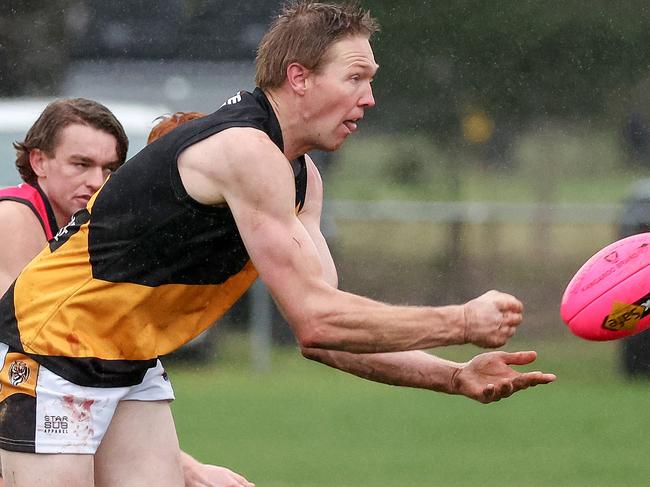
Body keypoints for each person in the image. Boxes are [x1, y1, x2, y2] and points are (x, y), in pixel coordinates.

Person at [0, 2, 556, 485]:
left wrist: (455, 376)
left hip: (130, 359)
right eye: (356, 78)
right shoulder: (244, 149)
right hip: (49, 351)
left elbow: (328, 338)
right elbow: (320, 319)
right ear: (299, 77)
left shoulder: (300, 177)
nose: (370, 98)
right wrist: (461, 322)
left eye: (372, 79)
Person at [0, 99, 253, 487]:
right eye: (81, 164)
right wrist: (188, 468)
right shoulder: (15, 218)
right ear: (38, 162)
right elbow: (26, 358)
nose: (97, 181)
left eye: (111, 169)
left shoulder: (94, 243)